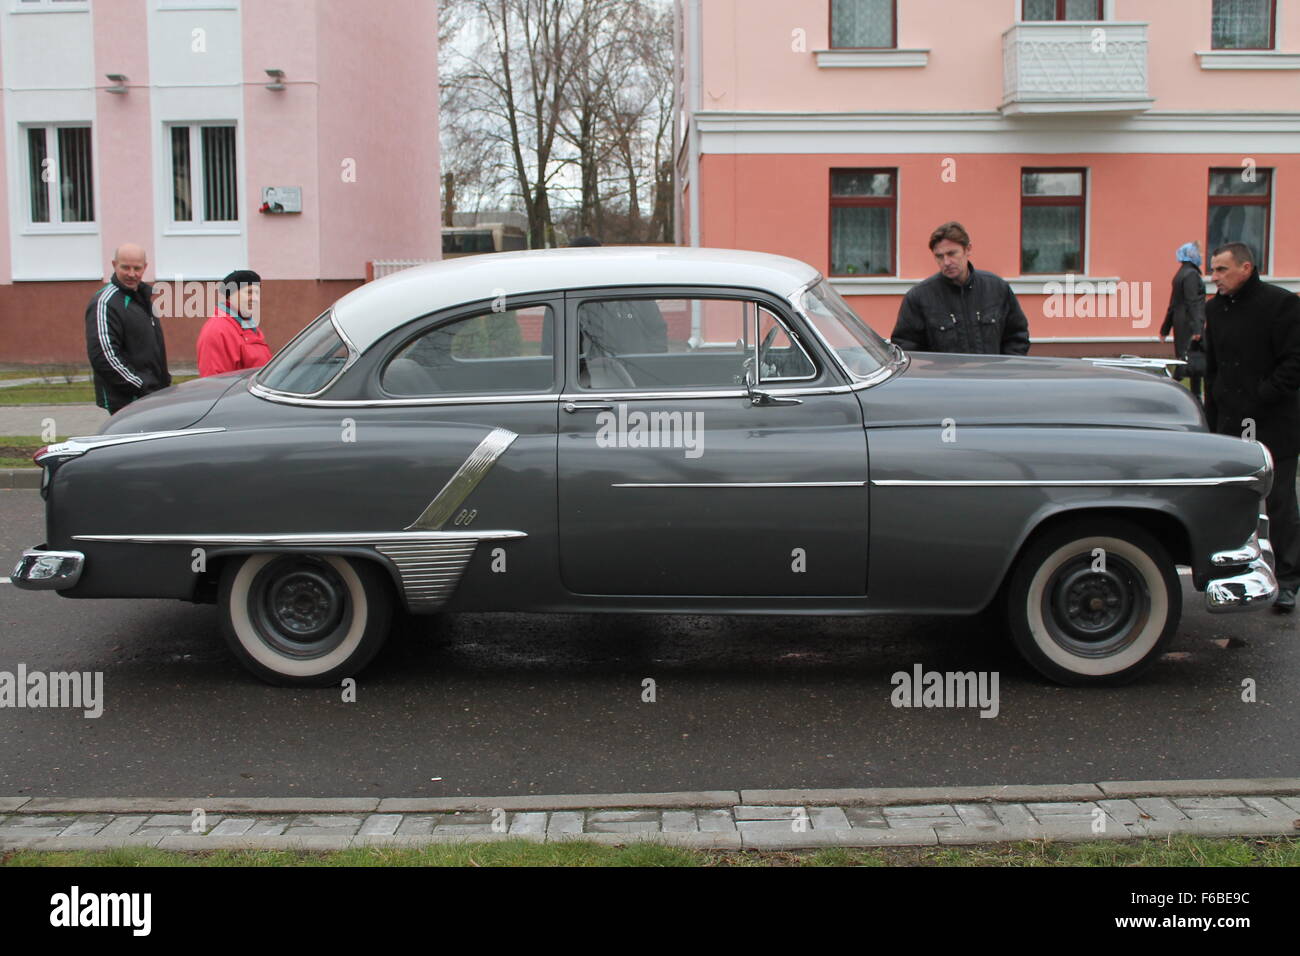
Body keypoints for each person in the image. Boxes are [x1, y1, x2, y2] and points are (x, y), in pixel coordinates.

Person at [1203, 241, 1300, 613]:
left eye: (1221, 270)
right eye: (1212, 270)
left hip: (1274, 423)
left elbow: (1294, 362)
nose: (1214, 278)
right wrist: (1211, 420)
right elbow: (1215, 369)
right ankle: (1234, 569)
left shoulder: (1281, 304)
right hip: (1230, 425)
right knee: (1234, 501)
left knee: (1280, 505)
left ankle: (1289, 579)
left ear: (1246, 268)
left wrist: (1262, 394)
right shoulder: (1215, 308)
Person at [891, 222, 1030, 355]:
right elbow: (907, 347)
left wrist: (1004, 372)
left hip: (991, 377)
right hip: (945, 379)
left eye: (952, 254)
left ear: (968, 249)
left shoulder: (996, 288)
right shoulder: (919, 297)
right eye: (939, 256)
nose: (946, 262)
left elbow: (1017, 337)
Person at [85, 244, 170, 414]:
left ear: (145, 267)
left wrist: (162, 384)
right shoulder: (105, 302)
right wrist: (141, 385)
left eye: (137, 268)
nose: (132, 274)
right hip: (127, 401)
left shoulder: (143, 299)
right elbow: (104, 356)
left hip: (151, 397)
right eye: (125, 267)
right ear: (114, 265)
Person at [196, 269, 271, 377]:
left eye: (257, 292)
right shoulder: (217, 330)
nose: (255, 299)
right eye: (249, 292)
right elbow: (214, 382)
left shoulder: (248, 325)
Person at [1160, 242, 1207, 398]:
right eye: (1198, 253)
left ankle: (1190, 393)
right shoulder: (1191, 275)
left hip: (1180, 322)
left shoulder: (1181, 274)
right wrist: (1197, 328)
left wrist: (1165, 329)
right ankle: (1184, 393)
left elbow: (1173, 304)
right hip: (1189, 322)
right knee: (1193, 360)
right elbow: (1192, 301)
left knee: (1186, 359)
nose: (1200, 256)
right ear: (1192, 254)